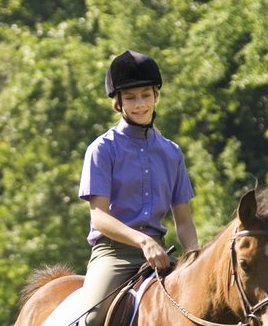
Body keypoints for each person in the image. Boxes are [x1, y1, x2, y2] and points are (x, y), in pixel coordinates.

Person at [76, 50, 199, 326]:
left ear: (156, 96)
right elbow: (99, 217)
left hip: (161, 257)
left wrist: (194, 258)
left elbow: (184, 220)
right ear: (117, 104)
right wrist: (143, 241)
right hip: (114, 254)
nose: (140, 104)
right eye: (130, 98)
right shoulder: (102, 150)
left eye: (145, 95)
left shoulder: (172, 153)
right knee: (92, 319)